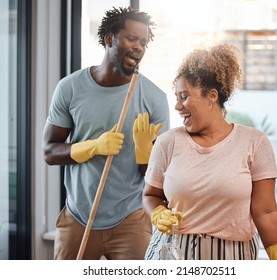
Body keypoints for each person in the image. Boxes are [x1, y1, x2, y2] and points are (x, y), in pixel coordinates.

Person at [42, 6, 169, 260]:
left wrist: (146, 153)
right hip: (78, 218)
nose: (138, 47)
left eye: (143, 42)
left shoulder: (154, 98)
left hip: (131, 221)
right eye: (131, 38)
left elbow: (160, 179)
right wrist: (92, 147)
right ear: (109, 39)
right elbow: (49, 151)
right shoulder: (70, 88)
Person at [143, 43, 277, 260]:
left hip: (233, 255)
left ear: (212, 96)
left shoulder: (254, 142)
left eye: (184, 97)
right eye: (176, 97)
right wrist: (157, 212)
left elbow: (265, 211)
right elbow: (150, 195)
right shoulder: (167, 143)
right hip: (173, 253)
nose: (177, 106)